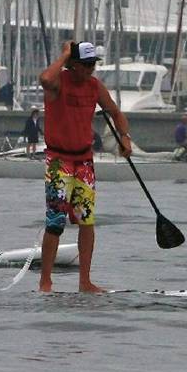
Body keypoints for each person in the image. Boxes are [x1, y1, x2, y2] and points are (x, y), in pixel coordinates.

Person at [38, 41, 132, 293]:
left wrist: (125, 137)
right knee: (56, 222)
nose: (91, 69)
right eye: (86, 65)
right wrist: (65, 54)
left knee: (86, 221)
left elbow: (115, 112)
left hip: (84, 161)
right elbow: (45, 78)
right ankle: (45, 281)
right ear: (73, 64)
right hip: (59, 161)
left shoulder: (94, 86)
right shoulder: (58, 82)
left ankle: (85, 281)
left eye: (93, 65)